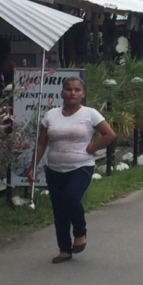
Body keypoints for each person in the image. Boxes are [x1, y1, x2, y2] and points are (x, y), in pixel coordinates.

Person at [32, 77, 117, 264]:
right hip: (54, 167)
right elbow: (42, 143)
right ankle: (64, 249)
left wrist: (92, 148)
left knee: (70, 198)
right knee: (59, 208)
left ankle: (80, 233)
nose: (73, 93)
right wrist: (33, 167)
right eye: (69, 89)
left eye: (77, 90)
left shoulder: (90, 114)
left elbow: (109, 134)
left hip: (81, 166)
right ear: (62, 92)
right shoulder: (51, 115)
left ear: (83, 93)